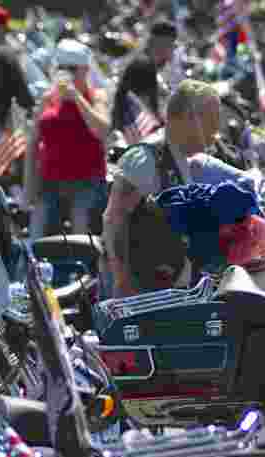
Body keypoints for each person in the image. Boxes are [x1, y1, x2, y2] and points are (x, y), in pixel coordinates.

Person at [102, 79, 253, 297]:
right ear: (189, 119)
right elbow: (114, 221)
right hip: (145, 290)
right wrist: (122, 280)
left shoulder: (202, 160)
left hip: (187, 287)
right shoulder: (146, 159)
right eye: (212, 119)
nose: (217, 128)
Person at [34, 39, 110, 239]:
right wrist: (29, 190)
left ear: (85, 70)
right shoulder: (48, 98)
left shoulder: (96, 96)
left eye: (72, 69)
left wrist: (77, 97)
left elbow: (102, 130)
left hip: (86, 182)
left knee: (81, 242)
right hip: (50, 182)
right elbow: (33, 141)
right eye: (61, 68)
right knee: (40, 241)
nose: (66, 73)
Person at [111, 20, 177, 132]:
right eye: (172, 45)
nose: (173, 51)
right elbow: (147, 110)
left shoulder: (145, 62)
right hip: (133, 135)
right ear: (162, 43)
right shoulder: (144, 66)